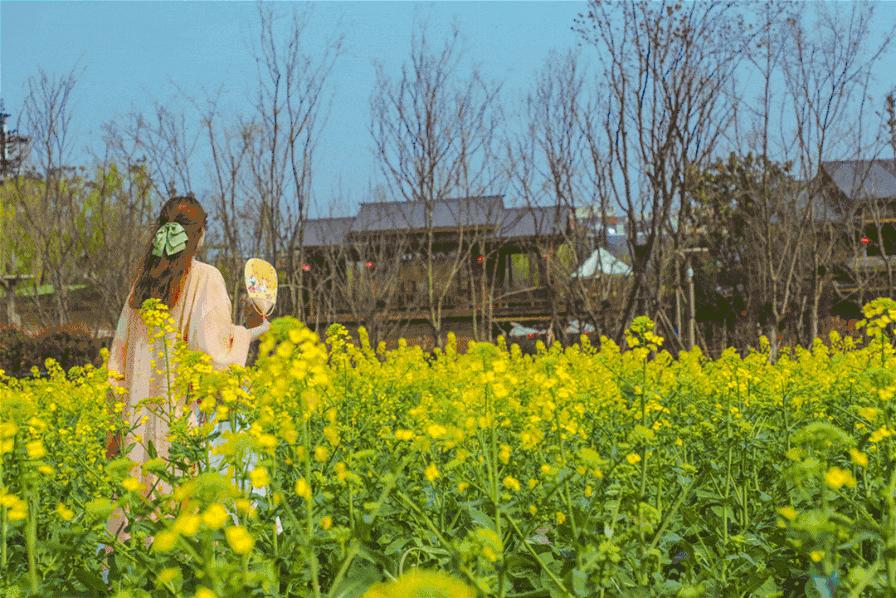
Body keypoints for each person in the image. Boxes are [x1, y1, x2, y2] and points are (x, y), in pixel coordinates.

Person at [105, 195, 269, 543]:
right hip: (181, 428)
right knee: (184, 527)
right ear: (200, 234)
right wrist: (251, 331)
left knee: (141, 526)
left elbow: (116, 364)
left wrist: (116, 428)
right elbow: (214, 361)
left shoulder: (140, 287)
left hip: (137, 429)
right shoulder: (206, 278)